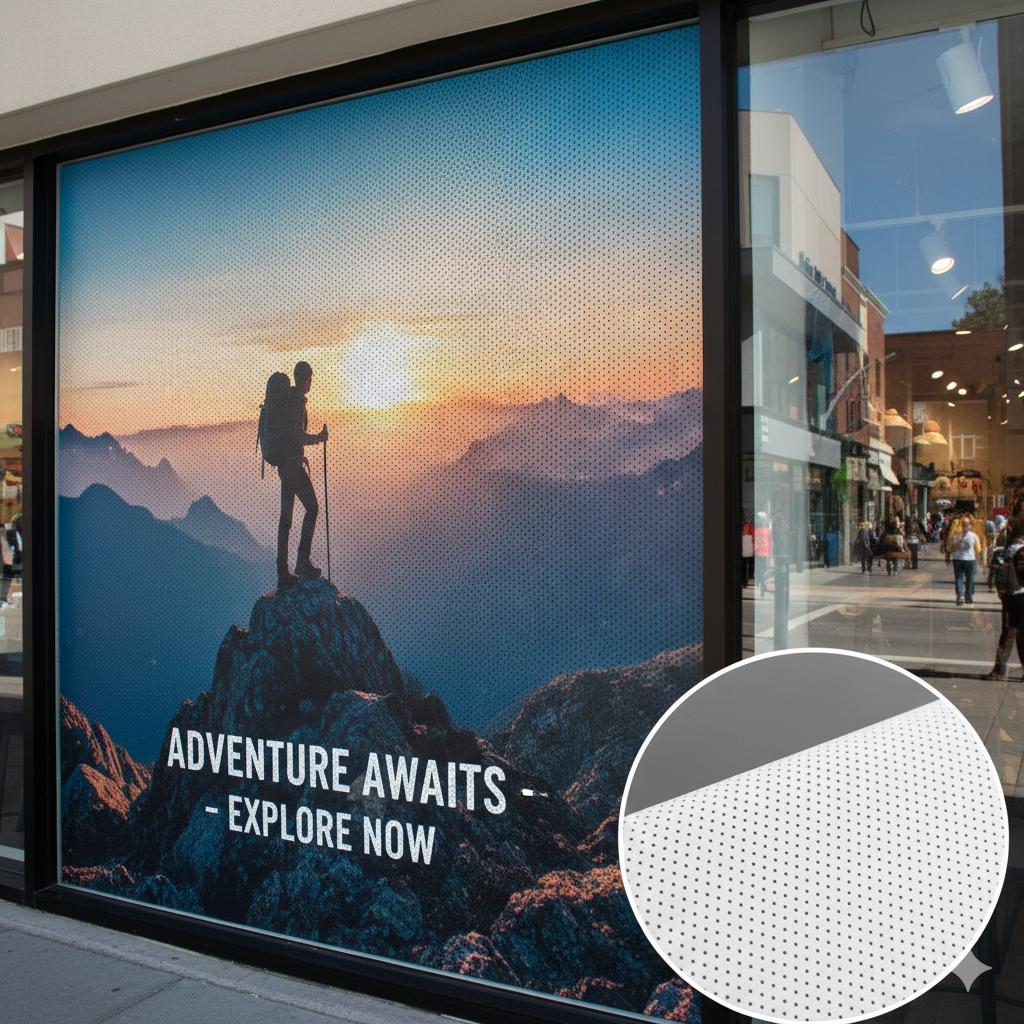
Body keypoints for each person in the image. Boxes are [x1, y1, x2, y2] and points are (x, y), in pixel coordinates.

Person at [276, 361, 328, 589]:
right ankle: (302, 562)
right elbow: (297, 434)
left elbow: (289, 436)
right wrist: (318, 438)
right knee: (313, 507)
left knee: (285, 519)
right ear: (304, 378)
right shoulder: (297, 400)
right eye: (311, 377)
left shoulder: (287, 399)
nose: (312, 381)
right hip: (292, 468)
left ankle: (282, 572)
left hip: (285, 465)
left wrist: (299, 454)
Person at [986, 518, 1024, 681]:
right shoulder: (1021, 551)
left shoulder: (1005, 551)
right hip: (1021, 595)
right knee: (1020, 634)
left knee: (1008, 633)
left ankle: (1000, 669)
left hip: (1010, 596)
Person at [946, 513, 981, 606]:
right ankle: (968, 596)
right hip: (970, 560)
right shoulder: (973, 536)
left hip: (958, 559)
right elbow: (978, 549)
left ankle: (960, 597)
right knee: (970, 579)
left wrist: (949, 556)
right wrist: (977, 557)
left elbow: (951, 547)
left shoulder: (955, 536)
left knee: (959, 578)